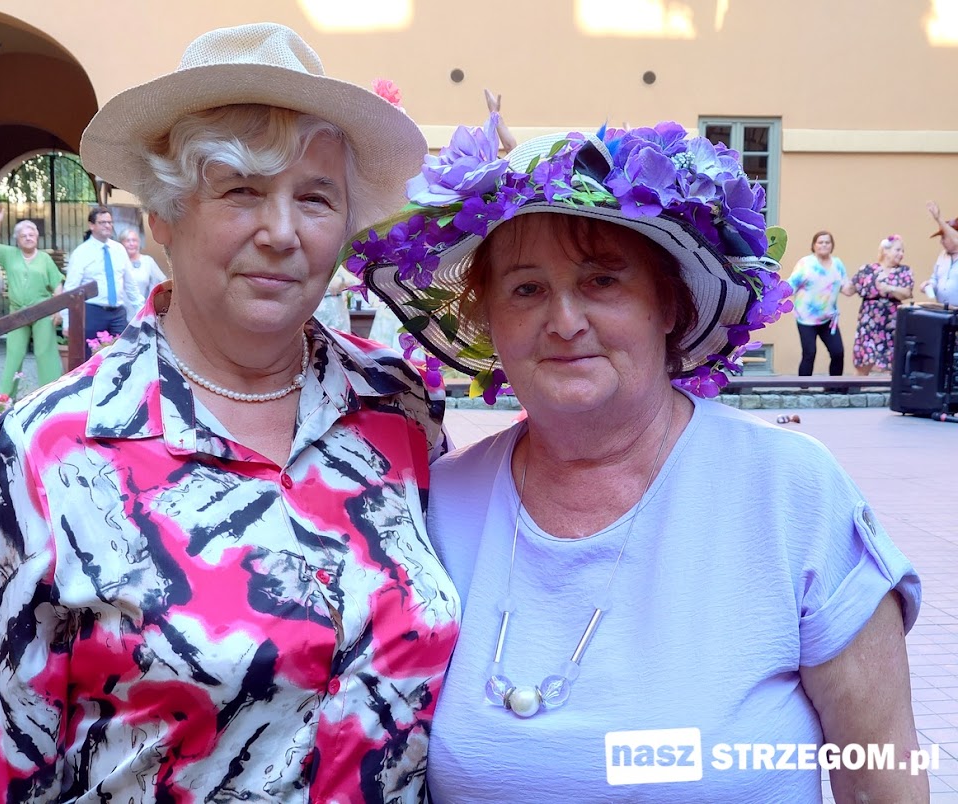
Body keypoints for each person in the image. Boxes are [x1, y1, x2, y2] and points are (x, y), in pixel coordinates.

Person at [0, 23, 458, 803]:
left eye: (315, 197)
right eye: (242, 190)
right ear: (163, 219)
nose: (282, 232)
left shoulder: (399, 410)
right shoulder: (50, 449)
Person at [349, 121, 924, 801]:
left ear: (668, 305)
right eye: (527, 289)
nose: (565, 321)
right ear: (490, 321)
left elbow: (882, 772)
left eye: (602, 281)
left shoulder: (789, 491)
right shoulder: (437, 505)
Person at [0, 202, 64, 395]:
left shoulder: (45, 258)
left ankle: (51, 396)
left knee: (45, 354)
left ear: (37, 237)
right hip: (17, 312)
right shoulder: (10, 255)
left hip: (42, 311)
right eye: (23, 236)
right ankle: (4, 401)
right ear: (17, 240)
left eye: (31, 234)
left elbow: (57, 284)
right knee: (14, 354)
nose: (28, 238)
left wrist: (58, 310)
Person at [60, 205, 143, 358]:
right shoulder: (81, 252)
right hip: (93, 312)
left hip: (118, 313)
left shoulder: (119, 249)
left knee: (122, 356)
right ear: (91, 225)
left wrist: (142, 311)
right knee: (91, 358)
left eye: (109, 222)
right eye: (102, 222)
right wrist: (67, 320)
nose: (107, 226)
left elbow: (130, 285)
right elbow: (71, 289)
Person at [842, 234, 914, 375]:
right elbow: (849, 290)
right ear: (885, 251)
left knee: (893, 362)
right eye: (898, 250)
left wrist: (889, 288)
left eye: (902, 251)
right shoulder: (867, 270)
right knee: (864, 361)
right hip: (869, 323)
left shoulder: (904, 271)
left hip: (892, 323)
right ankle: (858, 387)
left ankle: (892, 389)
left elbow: (906, 293)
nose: (901, 254)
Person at [788, 230, 847, 376]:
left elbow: (846, 287)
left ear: (832, 245)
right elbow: (791, 286)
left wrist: (862, 283)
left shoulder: (837, 264)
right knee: (809, 353)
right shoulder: (806, 263)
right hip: (806, 319)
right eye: (820, 242)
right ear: (814, 245)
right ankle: (803, 387)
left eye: (827, 242)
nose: (824, 245)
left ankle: (835, 387)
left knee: (838, 352)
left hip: (828, 319)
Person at [120, 226, 168, 318]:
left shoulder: (147, 261)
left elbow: (162, 282)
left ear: (139, 243)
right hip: (120, 315)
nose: (131, 243)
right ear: (121, 244)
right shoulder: (117, 262)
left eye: (134, 240)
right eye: (127, 241)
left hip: (142, 312)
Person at [922, 200, 958, 305]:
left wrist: (938, 219)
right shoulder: (942, 256)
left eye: (944, 237)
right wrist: (930, 285)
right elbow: (935, 278)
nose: (941, 242)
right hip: (943, 309)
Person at [312, 263, 357, 331]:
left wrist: (342, 280)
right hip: (316, 315)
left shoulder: (337, 266)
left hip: (338, 317)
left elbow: (356, 283)